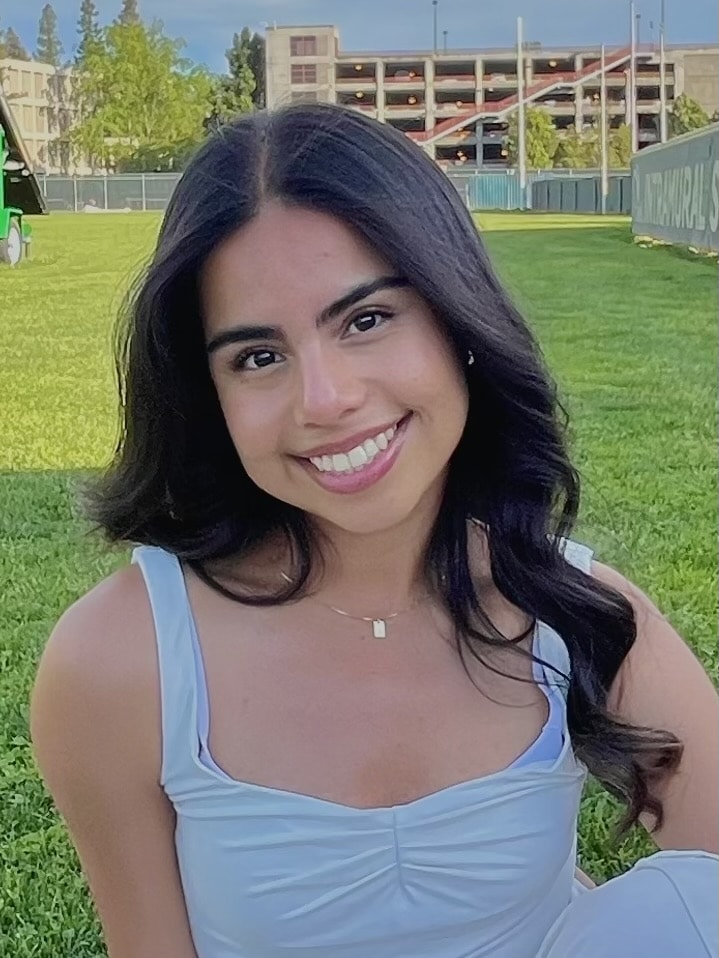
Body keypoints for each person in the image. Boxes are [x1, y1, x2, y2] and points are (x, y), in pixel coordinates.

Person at [30, 103, 718, 958]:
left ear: (456, 319)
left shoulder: (577, 612)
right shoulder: (120, 660)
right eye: (257, 356)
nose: (324, 400)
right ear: (208, 399)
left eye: (365, 319)